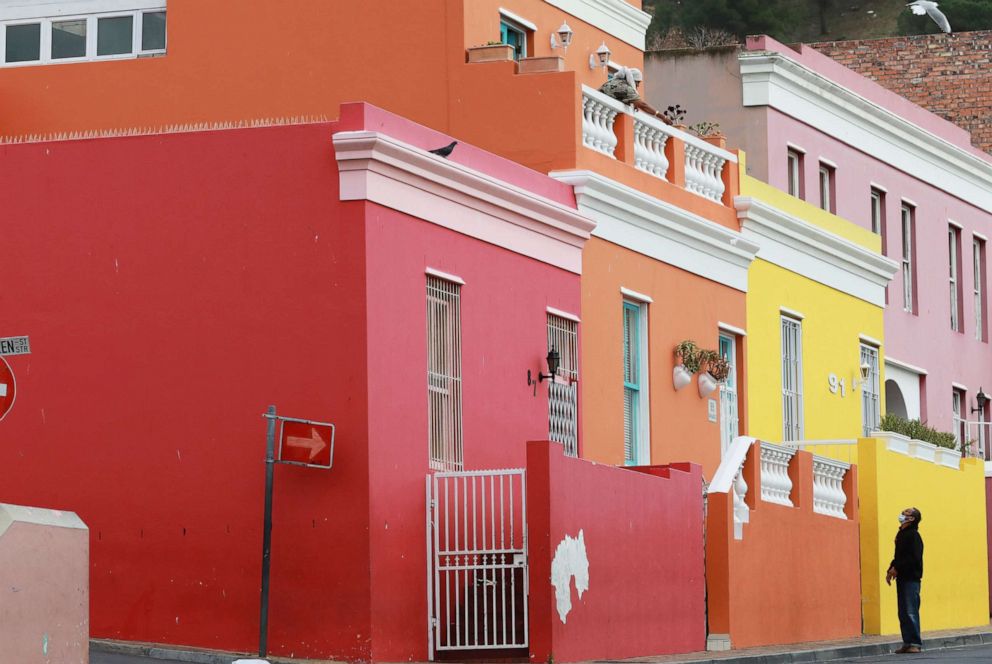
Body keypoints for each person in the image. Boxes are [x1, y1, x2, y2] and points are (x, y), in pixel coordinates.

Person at [886, 507, 924, 654]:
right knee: (903, 612)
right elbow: (898, 556)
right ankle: (907, 642)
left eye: (906, 512)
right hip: (902, 578)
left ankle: (915, 642)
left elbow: (913, 558)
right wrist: (891, 568)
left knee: (910, 611)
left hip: (911, 579)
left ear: (912, 518)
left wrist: (898, 568)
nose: (902, 513)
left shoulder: (914, 535)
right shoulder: (901, 534)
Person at [598, 67, 673, 125]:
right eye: (637, 82)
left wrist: (632, 101)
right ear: (632, 79)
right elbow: (643, 105)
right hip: (600, 116)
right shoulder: (626, 88)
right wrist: (663, 117)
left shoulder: (612, 81)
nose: (638, 85)